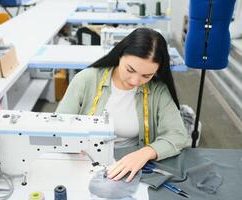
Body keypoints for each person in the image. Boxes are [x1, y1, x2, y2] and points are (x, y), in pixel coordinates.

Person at [56, 28, 189, 182]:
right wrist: (71, 145)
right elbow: (60, 126)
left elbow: (178, 135)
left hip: (131, 164)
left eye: (147, 75)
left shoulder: (157, 90)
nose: (135, 81)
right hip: (85, 160)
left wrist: (146, 152)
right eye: (130, 70)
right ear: (120, 54)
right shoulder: (86, 80)